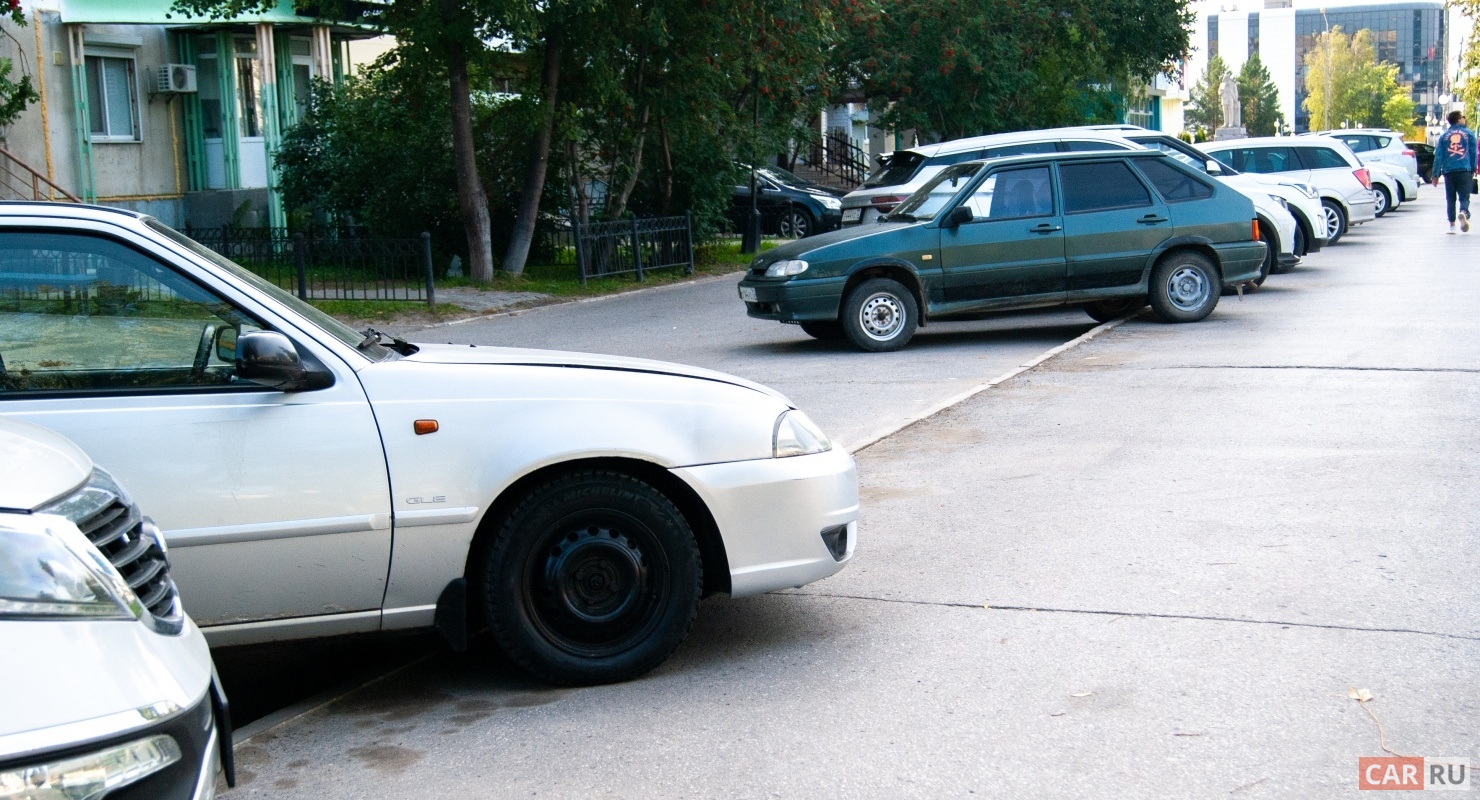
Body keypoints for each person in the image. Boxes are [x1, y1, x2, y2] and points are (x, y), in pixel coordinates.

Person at [1432, 110, 1478, 233]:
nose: (1464, 118)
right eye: (1463, 117)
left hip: (1449, 171)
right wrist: (1474, 167)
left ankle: (1452, 225)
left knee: (1450, 198)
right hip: (1464, 169)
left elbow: (1439, 156)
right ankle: (1463, 212)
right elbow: (1474, 153)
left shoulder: (1443, 136)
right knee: (1464, 197)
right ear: (1458, 119)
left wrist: (1435, 174)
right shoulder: (1469, 134)